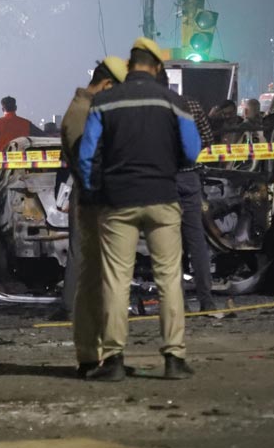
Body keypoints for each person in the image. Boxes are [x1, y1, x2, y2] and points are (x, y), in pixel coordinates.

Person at [75, 38, 201, 381]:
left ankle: (113, 359)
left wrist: (96, 191)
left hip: (118, 202)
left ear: (129, 67)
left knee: (116, 280)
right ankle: (174, 358)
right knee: (169, 279)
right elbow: (192, 152)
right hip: (163, 198)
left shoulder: (104, 101)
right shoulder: (175, 102)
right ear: (157, 68)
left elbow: (87, 158)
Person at [62, 56, 128, 374]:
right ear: (107, 85)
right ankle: (90, 354)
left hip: (93, 200)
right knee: (93, 282)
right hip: (93, 203)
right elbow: (84, 163)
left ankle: (93, 353)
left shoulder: (84, 108)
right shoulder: (82, 112)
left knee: (96, 280)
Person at [169, 82, 218, 313]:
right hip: (190, 178)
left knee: (170, 243)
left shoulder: (157, 107)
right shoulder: (192, 105)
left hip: (165, 180)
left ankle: (177, 301)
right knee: (197, 241)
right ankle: (206, 300)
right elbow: (207, 138)